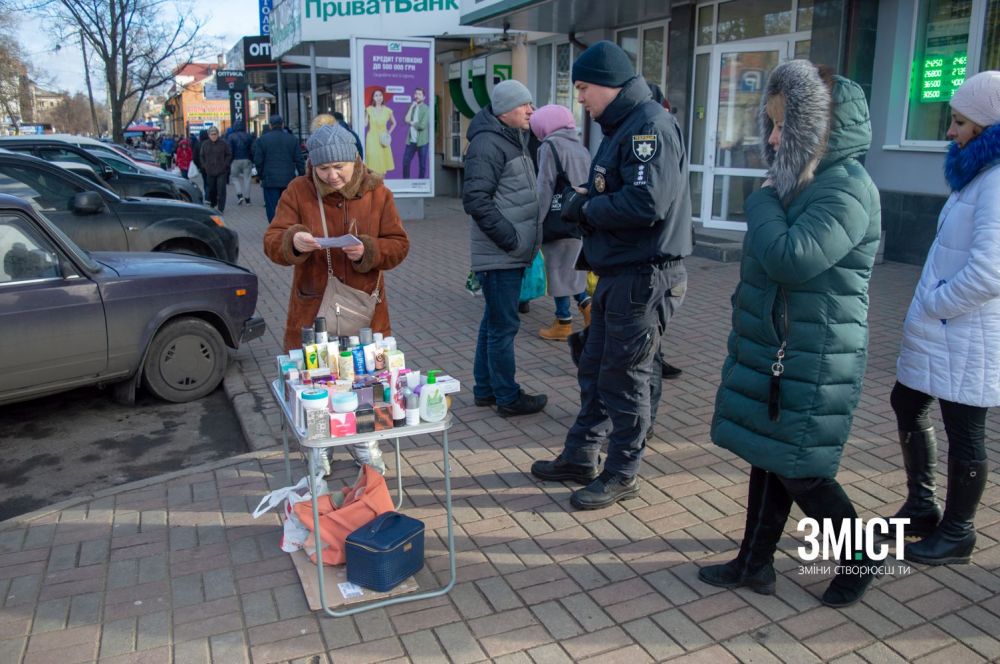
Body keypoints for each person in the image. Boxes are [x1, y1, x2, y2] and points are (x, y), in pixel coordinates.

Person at [697, 61, 882, 609]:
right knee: (769, 456)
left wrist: (758, 200)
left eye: (784, 127)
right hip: (785, 347)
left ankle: (863, 555)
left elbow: (790, 259)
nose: (774, 138)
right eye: (771, 125)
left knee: (803, 469)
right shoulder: (805, 182)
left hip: (817, 354)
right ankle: (754, 563)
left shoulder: (845, 188)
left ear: (819, 130)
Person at [529, 41, 691, 510]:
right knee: (597, 366)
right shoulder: (624, 125)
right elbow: (621, 188)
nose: (579, 98)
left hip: (643, 276)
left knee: (625, 377)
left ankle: (622, 472)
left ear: (606, 82)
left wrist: (585, 205)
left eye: (582, 88)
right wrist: (588, 198)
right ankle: (581, 455)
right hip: (620, 272)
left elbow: (647, 203)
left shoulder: (648, 126)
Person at [888, 71, 1000, 566]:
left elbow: (989, 272)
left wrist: (934, 304)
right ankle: (922, 506)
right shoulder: (977, 174)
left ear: (988, 126)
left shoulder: (997, 182)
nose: (950, 132)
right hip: (946, 329)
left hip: (967, 330)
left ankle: (958, 532)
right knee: (906, 400)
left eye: (959, 122)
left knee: (965, 429)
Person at [263, 122, 410, 352]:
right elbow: (272, 240)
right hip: (312, 313)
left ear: (354, 159)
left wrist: (368, 251)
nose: (331, 175)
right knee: (315, 384)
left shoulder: (379, 193)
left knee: (368, 382)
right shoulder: (299, 190)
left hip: (367, 313)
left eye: (338, 166)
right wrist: (293, 242)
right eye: (322, 168)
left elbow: (399, 245)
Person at [463, 79, 547, 417]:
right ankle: (507, 397)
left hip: (505, 253)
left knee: (494, 322)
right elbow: (476, 200)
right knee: (503, 327)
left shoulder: (513, 138)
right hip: (500, 254)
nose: (531, 110)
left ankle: (486, 389)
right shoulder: (488, 144)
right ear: (504, 111)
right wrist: (511, 240)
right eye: (524, 105)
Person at [528, 104, 591, 341]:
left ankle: (563, 323)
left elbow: (544, 186)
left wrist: (537, 220)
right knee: (572, 271)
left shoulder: (549, 146)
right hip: (579, 217)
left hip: (557, 219)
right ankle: (587, 309)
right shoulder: (580, 146)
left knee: (557, 271)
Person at [254, 114, 306, 223]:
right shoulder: (292, 139)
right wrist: (302, 176)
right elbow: (299, 160)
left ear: (270, 125)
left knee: (272, 207)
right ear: (283, 125)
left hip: (270, 179)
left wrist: (261, 175)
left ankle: (274, 228)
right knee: (288, 205)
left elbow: (258, 160)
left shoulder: (262, 140)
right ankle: (287, 226)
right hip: (288, 179)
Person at [199, 126, 232, 212]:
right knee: (211, 190)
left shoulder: (223, 143)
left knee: (221, 190)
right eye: (212, 134)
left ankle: (221, 209)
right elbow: (201, 156)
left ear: (218, 134)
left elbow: (229, 154)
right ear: (209, 135)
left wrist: (225, 165)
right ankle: (213, 204)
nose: (213, 136)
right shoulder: (205, 144)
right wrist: (204, 165)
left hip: (221, 171)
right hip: (210, 171)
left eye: (215, 134)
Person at [364, 88, 396, 175]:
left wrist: (388, 132)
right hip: (372, 138)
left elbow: (394, 123)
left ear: (383, 97)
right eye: (376, 96)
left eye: (380, 95)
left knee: (382, 161)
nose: (378, 97)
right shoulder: (369, 109)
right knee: (373, 160)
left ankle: (380, 184)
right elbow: (365, 124)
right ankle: (372, 181)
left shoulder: (388, 110)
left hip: (383, 138)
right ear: (373, 98)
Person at [402, 87, 430, 179]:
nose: (417, 96)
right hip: (411, 141)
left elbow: (422, 126)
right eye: (416, 94)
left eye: (419, 94)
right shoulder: (412, 107)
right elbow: (406, 119)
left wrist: (411, 122)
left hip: (422, 141)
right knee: (405, 162)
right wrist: (411, 107)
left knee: (422, 165)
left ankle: (421, 183)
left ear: (424, 97)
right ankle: (406, 182)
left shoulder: (426, 109)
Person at [227, 124, 255, 206]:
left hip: (235, 160)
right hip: (247, 160)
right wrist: (252, 160)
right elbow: (252, 149)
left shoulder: (231, 136)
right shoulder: (248, 136)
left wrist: (229, 161)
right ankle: (248, 199)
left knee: (234, 178)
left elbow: (230, 150)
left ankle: (239, 195)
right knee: (247, 179)